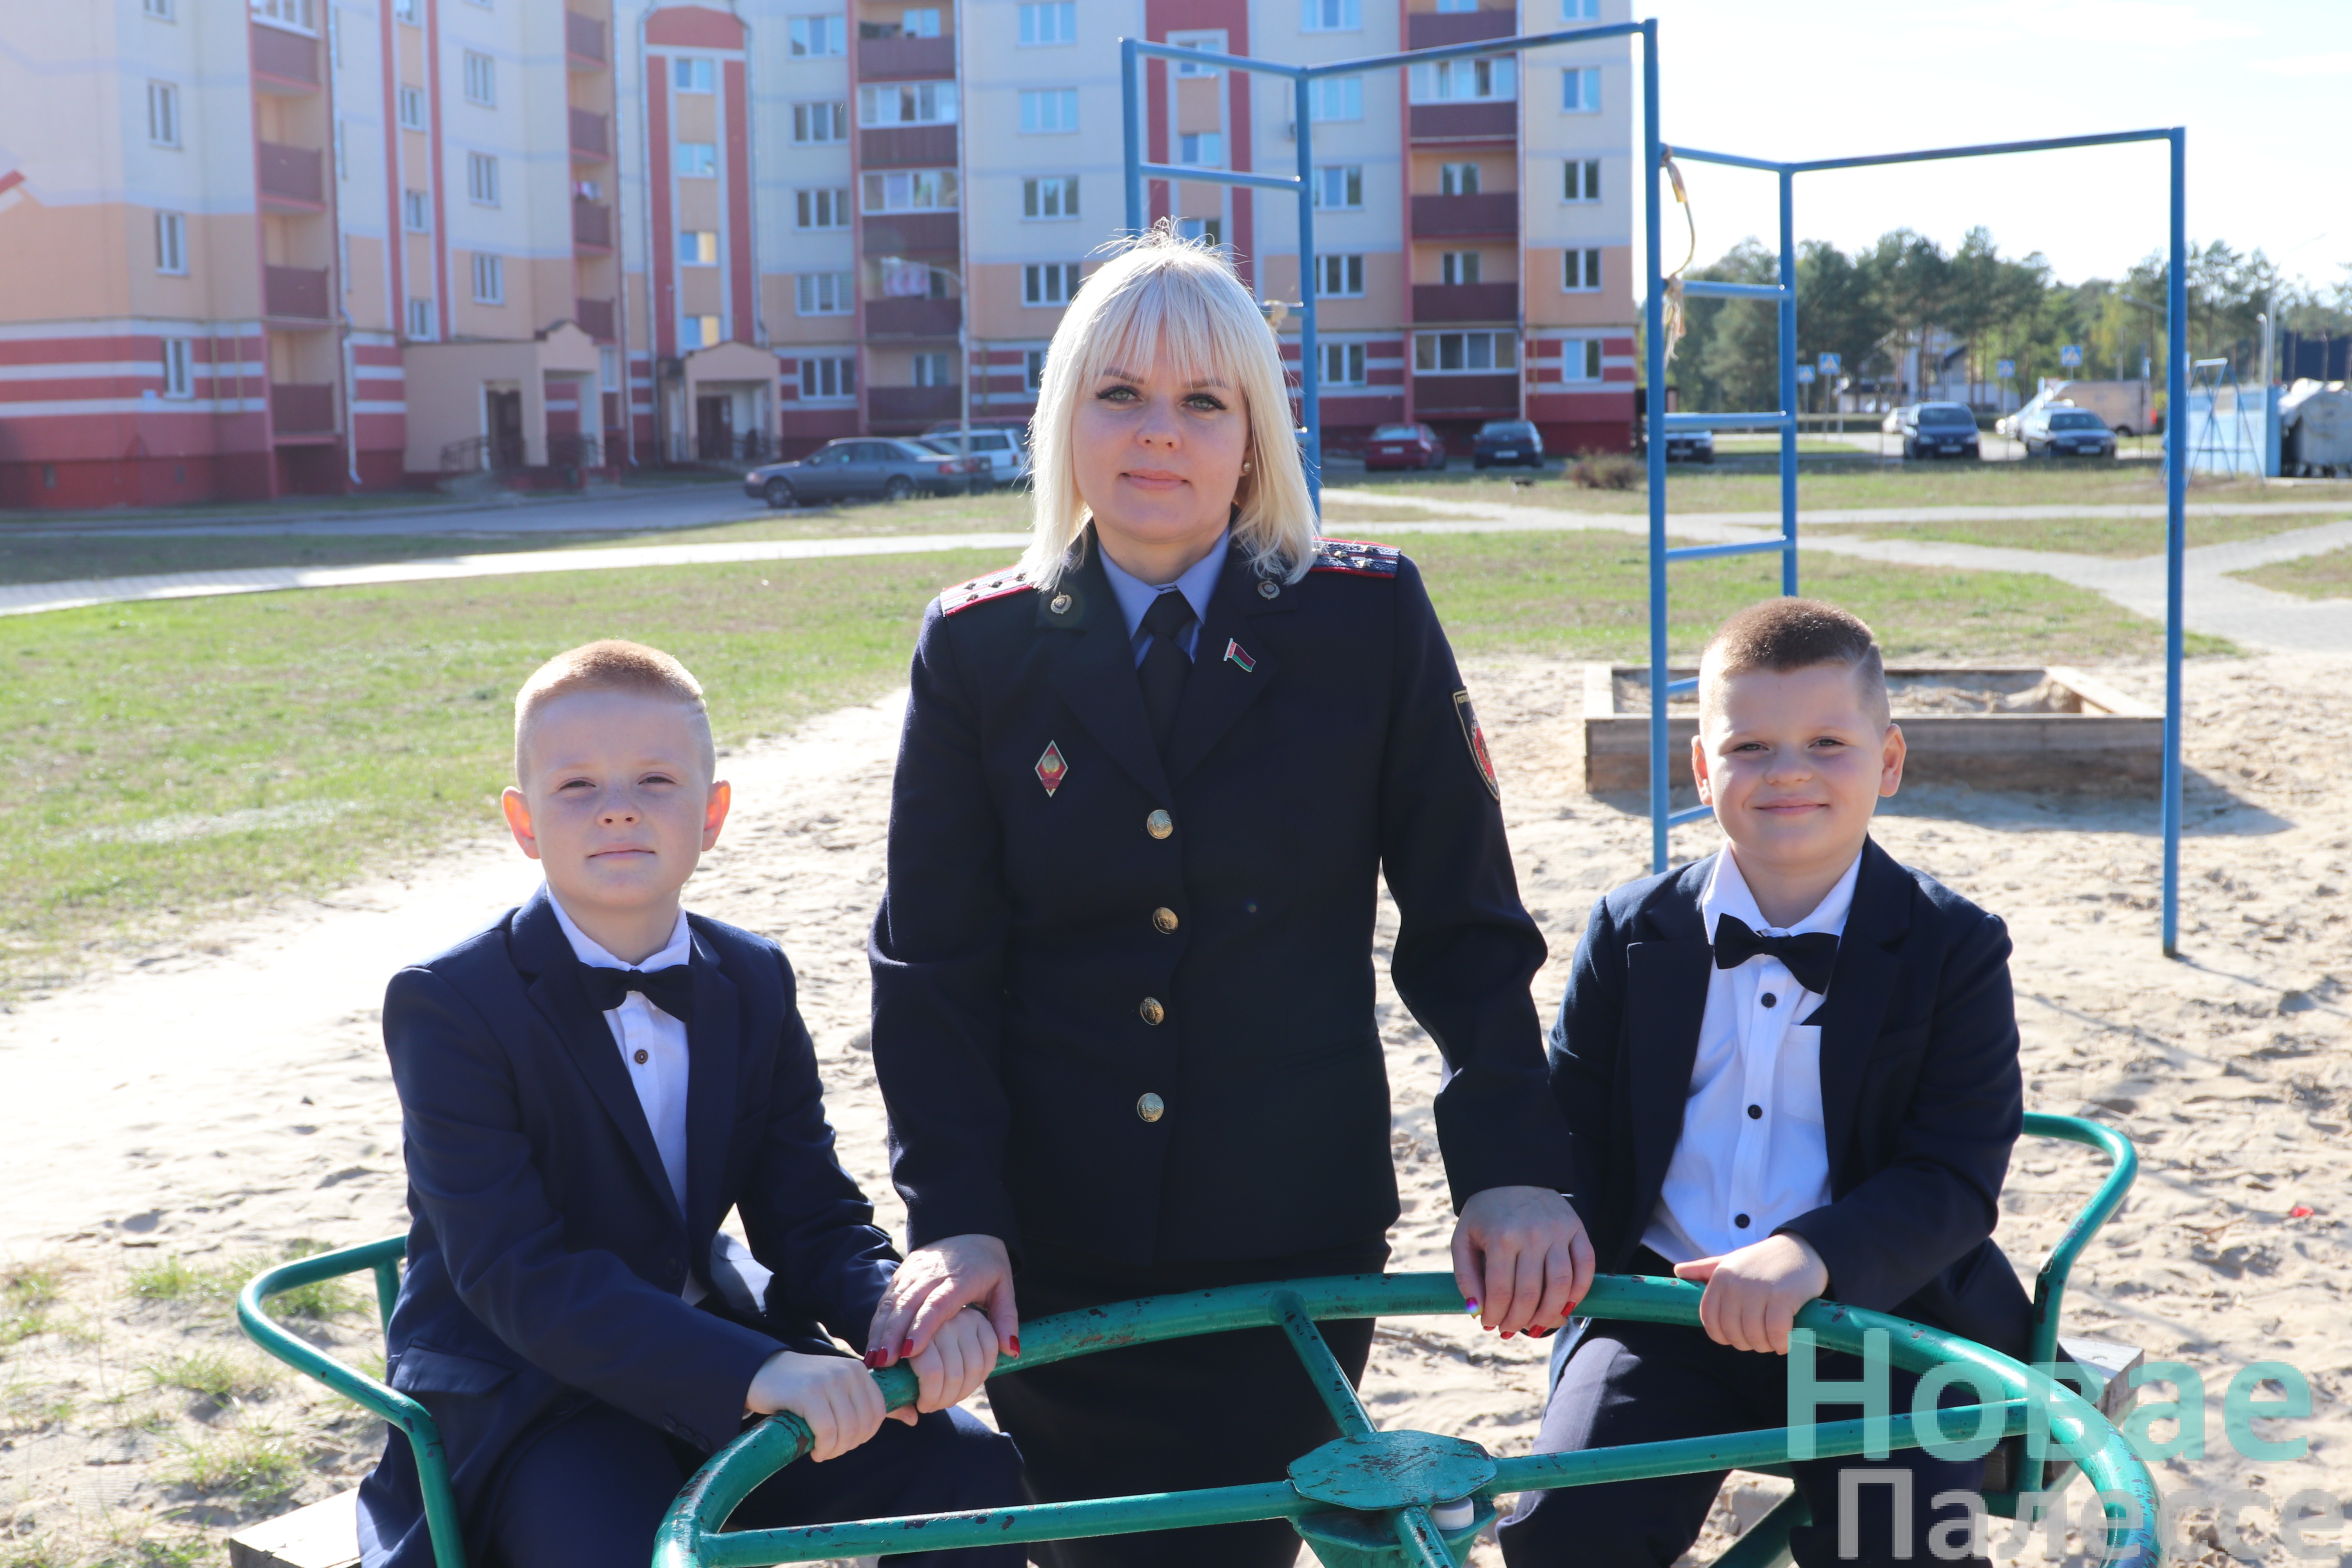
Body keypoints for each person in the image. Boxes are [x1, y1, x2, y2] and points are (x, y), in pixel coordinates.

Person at [862, 224, 1589, 1568]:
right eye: (1120, 393)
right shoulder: (982, 648)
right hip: (1050, 1237)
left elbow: (1466, 925)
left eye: (1205, 400)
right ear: (1064, 418)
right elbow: (932, 966)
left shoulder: (1364, 621)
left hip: (1290, 1226)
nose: (1160, 432)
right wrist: (955, 1214)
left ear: (1255, 435)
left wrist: (1512, 1173)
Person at [357, 640, 1022, 1568]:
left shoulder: (752, 976)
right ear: (523, 821)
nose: (619, 807)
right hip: (533, 1390)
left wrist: (900, 1313)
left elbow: (810, 1212)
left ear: (712, 814)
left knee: (971, 1473)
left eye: (656, 779)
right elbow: (512, 1271)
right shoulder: (450, 1001)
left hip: (719, 1349)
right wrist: (754, 1370)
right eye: (577, 785)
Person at [1497, 599, 2030, 1568]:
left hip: (1880, 1322)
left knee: (1899, 1546)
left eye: (1828, 742)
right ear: (1703, 770)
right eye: (1749, 746)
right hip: (1663, 1309)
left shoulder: (1954, 945)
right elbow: (1574, 1131)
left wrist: (1810, 1254)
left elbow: (1955, 1177)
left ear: (1890, 761)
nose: (1787, 770)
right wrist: (1546, 1228)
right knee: (1563, 1532)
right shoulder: (1630, 930)